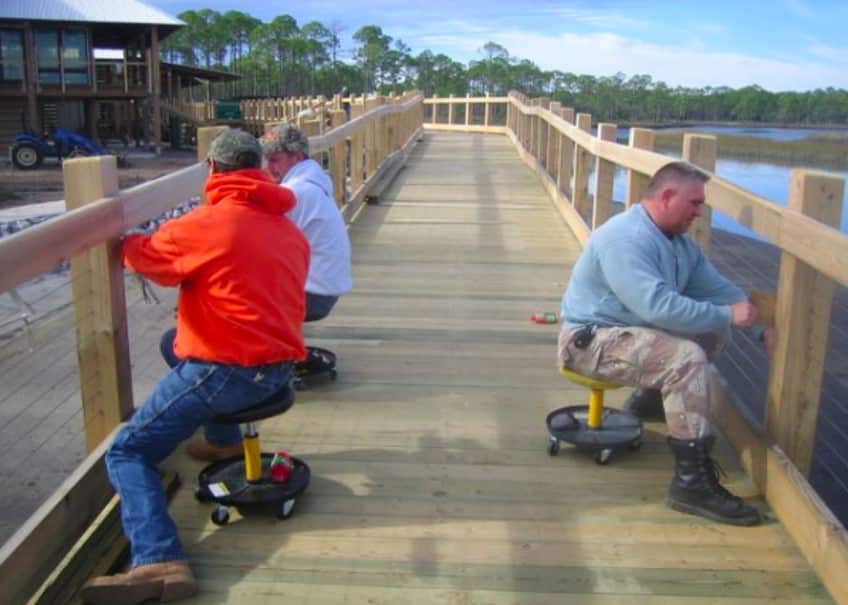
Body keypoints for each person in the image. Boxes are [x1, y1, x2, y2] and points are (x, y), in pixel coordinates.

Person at [81, 130, 309, 605]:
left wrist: (119, 241)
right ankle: (222, 440)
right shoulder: (286, 225)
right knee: (174, 344)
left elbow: (151, 260)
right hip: (280, 367)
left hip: (227, 371)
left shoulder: (209, 222)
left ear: (212, 170)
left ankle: (158, 559)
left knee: (128, 451)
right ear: (261, 170)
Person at [558, 160, 772, 527]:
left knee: (710, 331)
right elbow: (656, 307)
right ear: (668, 196)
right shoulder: (626, 239)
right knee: (686, 358)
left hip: (629, 333)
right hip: (588, 343)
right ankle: (692, 485)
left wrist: (755, 324)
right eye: (694, 203)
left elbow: (717, 290)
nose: (699, 212)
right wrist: (725, 315)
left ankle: (650, 400)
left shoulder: (679, 246)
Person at [261, 123, 352, 322]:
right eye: (267, 160)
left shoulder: (296, 192)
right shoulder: (314, 182)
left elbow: (260, 243)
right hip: (325, 288)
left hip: (312, 293)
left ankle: (265, 350)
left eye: (275, 160)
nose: (269, 167)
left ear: (297, 157)